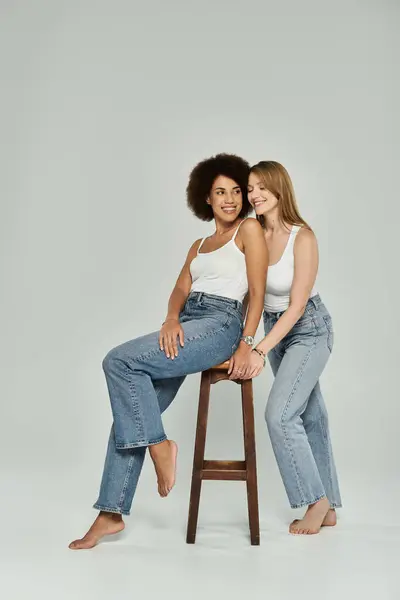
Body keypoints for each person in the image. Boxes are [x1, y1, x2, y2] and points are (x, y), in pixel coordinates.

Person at [69, 153, 268, 549]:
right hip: (189, 322)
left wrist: (248, 344)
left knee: (119, 361)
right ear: (205, 199)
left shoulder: (247, 230)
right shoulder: (199, 244)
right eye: (219, 192)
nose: (228, 199)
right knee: (133, 414)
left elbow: (258, 292)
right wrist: (170, 320)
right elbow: (180, 289)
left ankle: (161, 447)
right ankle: (110, 513)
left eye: (234, 191)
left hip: (220, 324)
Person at [244, 160, 342, 535]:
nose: (253, 195)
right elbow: (250, 293)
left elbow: (298, 304)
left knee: (280, 414)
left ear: (279, 189)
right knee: (310, 415)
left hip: (309, 329)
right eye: (250, 188)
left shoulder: (303, 237)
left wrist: (258, 349)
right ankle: (329, 505)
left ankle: (314, 502)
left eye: (260, 187)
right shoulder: (252, 233)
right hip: (275, 330)